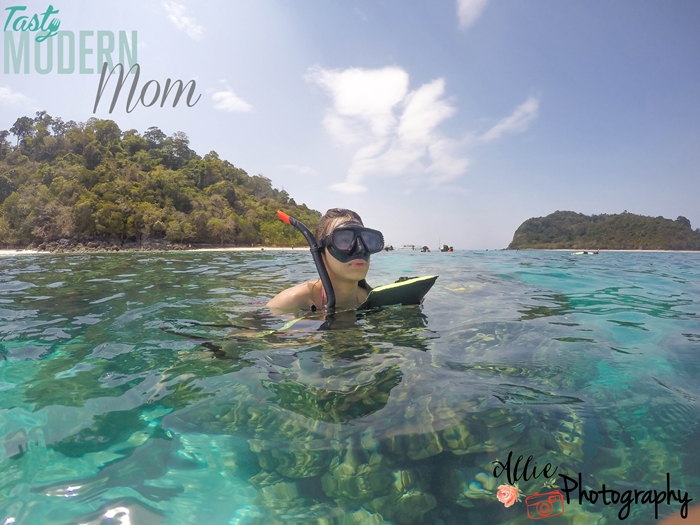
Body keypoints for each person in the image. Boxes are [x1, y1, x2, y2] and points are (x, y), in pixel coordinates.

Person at [267, 208, 383, 311]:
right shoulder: (291, 301)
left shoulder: (372, 299)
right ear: (321, 251)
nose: (360, 249)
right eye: (343, 240)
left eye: (367, 241)